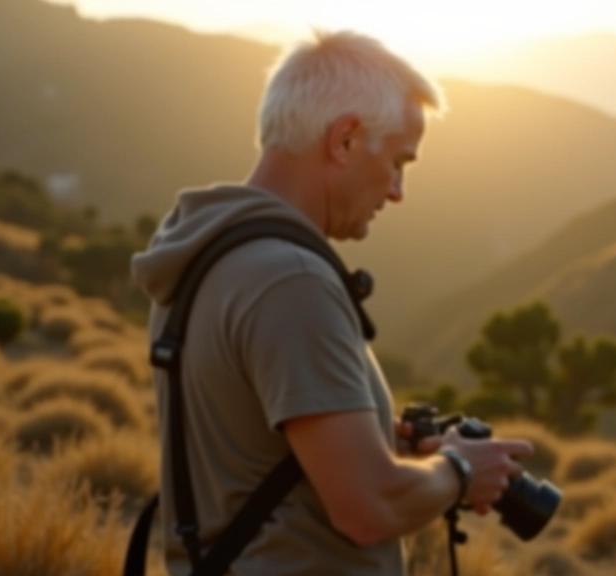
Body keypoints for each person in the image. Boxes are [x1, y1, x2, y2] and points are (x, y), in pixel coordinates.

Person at [131, 30, 534, 576]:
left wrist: (379, 442)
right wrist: (459, 470)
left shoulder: (208, 256)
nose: (397, 191)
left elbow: (247, 442)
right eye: (398, 162)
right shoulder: (290, 280)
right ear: (345, 139)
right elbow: (366, 508)